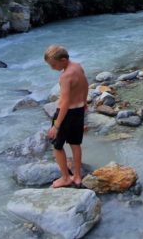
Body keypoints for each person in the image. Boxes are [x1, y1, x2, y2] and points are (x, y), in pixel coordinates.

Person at [43, 45, 88, 188]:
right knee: (75, 144)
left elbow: (65, 103)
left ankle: (65, 178)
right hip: (79, 110)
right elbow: (86, 85)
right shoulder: (78, 66)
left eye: (53, 65)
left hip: (65, 114)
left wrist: (56, 125)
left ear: (63, 60)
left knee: (57, 146)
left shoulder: (65, 76)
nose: (52, 68)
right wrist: (85, 101)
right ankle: (78, 177)